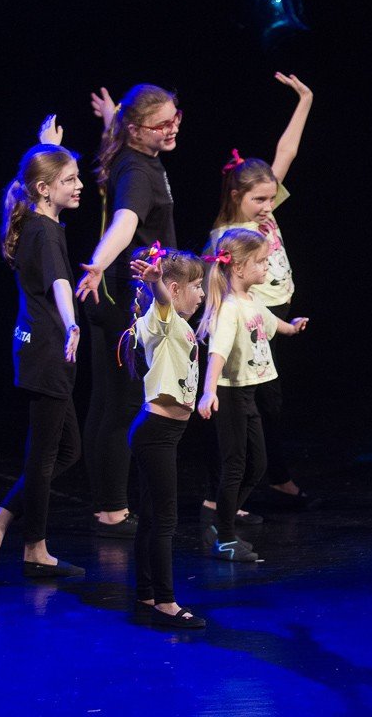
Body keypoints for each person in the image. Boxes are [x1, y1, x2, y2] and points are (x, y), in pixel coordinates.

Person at [0, 138, 86, 583]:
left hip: (36, 345)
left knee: (67, 450)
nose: (79, 185)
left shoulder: (37, 222)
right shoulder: (46, 231)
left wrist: (49, 146)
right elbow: (60, 283)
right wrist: (72, 324)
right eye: (69, 180)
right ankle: (35, 550)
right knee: (44, 456)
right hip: (48, 349)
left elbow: (36, 174)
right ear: (44, 189)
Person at [203, 73, 315, 516]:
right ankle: (225, 491)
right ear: (237, 196)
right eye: (260, 201)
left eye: (271, 199)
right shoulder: (231, 235)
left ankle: (269, 478)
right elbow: (216, 289)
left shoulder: (261, 209)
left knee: (268, 403)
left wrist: (305, 100)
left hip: (271, 316)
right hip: (248, 322)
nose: (269, 207)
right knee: (251, 403)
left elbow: (286, 153)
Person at [76, 84, 184, 537]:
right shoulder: (138, 171)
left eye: (176, 117)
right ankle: (111, 511)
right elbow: (126, 222)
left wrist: (110, 116)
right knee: (120, 405)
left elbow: (117, 133)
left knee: (107, 401)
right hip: (125, 297)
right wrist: (99, 263)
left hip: (116, 295)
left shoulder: (128, 151)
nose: (173, 128)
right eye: (163, 124)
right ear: (137, 130)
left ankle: (107, 505)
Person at [196, 228, 308, 562]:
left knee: (257, 464)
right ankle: (225, 537)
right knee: (235, 466)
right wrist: (208, 391)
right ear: (239, 267)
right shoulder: (229, 308)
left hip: (248, 395)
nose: (266, 267)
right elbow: (217, 352)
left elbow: (271, 323)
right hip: (229, 396)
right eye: (260, 262)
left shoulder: (251, 300)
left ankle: (221, 522)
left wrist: (293, 327)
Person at [126, 245, 208, 627]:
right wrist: (157, 284)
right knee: (164, 520)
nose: (201, 293)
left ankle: (146, 592)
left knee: (149, 517)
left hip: (161, 433)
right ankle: (165, 602)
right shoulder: (163, 319)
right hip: (156, 433)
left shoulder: (181, 326)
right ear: (174, 290)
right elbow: (162, 302)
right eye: (196, 286)